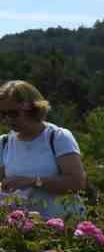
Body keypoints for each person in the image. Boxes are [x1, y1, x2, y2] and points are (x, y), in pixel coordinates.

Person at [0, 80, 87, 219]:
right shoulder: (4, 143)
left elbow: (77, 182)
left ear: (33, 108)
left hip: (62, 228)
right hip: (21, 230)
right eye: (2, 114)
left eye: (13, 113)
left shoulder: (57, 137)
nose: (7, 120)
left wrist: (33, 181)